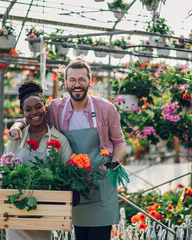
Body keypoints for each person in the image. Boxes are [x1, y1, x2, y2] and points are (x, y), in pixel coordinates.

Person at [8, 58, 127, 240]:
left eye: (81, 79)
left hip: (101, 185)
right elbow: (32, 115)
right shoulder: (56, 107)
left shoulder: (106, 109)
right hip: (75, 188)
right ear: (65, 83)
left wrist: (114, 163)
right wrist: (16, 126)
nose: (77, 84)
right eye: (72, 80)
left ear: (90, 81)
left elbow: (120, 143)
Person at [0, 80, 73, 240]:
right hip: (16, 209)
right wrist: (0, 185)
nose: (34, 112)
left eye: (38, 107)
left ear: (45, 106)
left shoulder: (60, 140)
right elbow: (4, 168)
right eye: (28, 109)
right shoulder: (17, 137)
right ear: (23, 113)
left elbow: (69, 173)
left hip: (43, 211)